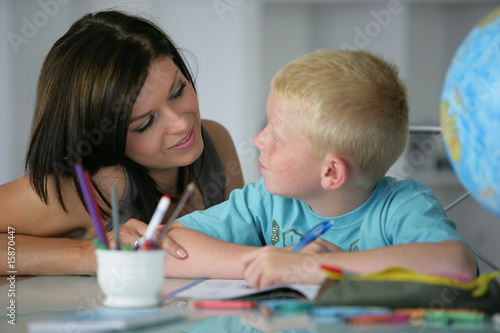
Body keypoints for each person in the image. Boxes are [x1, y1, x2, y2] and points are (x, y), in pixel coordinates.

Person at [161, 49, 477, 287]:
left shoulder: (403, 206)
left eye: (276, 135)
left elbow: (457, 265)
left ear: (331, 173)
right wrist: (262, 263)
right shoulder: (266, 201)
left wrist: (317, 268)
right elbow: (169, 245)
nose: (258, 140)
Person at [0, 10, 244, 276]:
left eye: (178, 91)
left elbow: (247, 238)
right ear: (103, 137)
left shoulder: (215, 140)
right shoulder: (96, 186)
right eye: (145, 123)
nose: (182, 124)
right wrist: (87, 256)